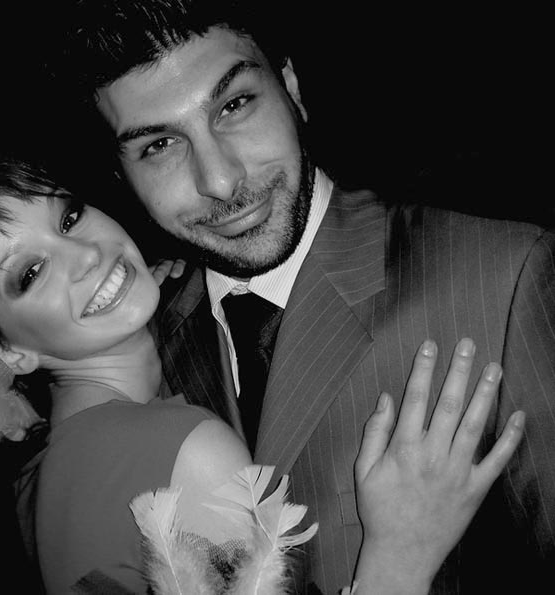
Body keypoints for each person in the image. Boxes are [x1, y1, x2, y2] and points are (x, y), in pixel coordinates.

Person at [60, 1, 555, 593]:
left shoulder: (503, 276)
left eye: (234, 105)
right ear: (123, 178)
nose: (220, 180)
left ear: (291, 88)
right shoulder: (143, 348)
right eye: (159, 145)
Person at [0, 155, 525, 594]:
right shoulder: (184, 449)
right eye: (29, 274)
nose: (86, 255)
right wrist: (400, 558)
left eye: (69, 217)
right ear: (7, 355)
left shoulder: (45, 476)